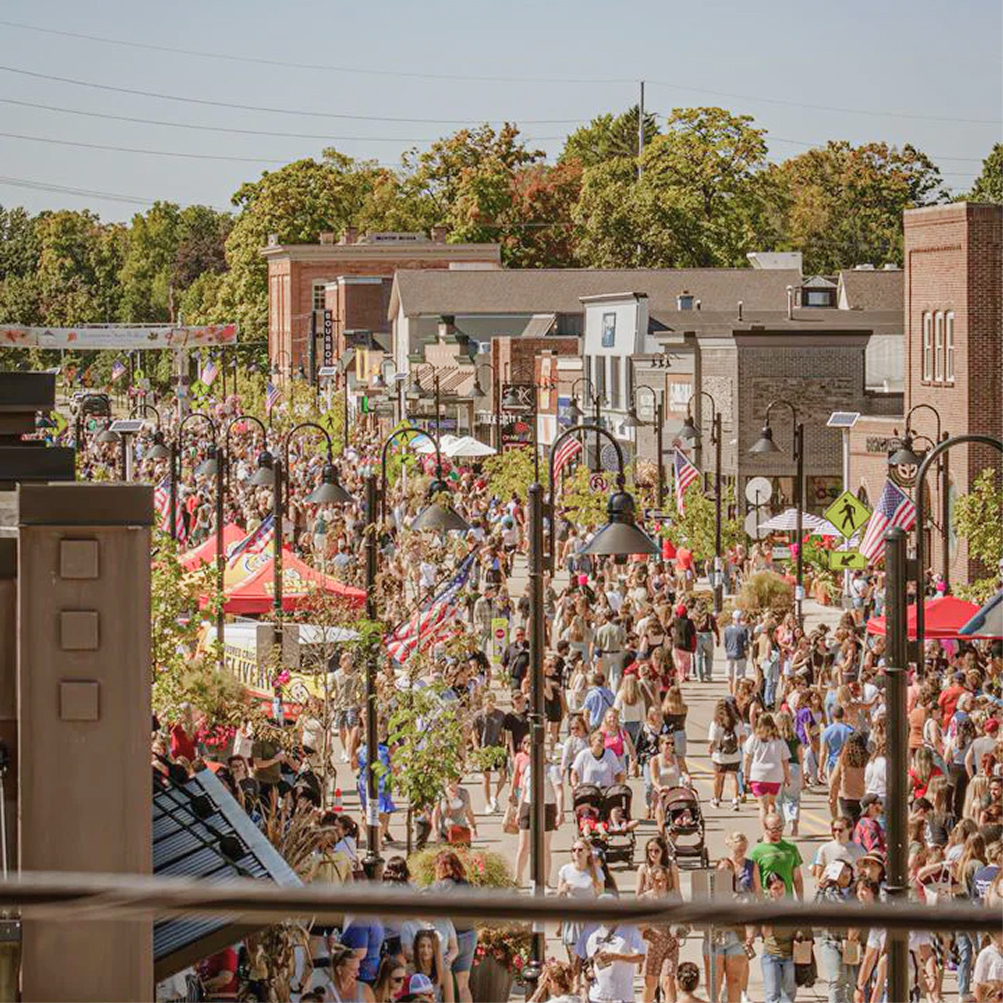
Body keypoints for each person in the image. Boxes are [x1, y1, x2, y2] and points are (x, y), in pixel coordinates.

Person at [583, 903, 646, 1003]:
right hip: (598, 997)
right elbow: (591, 965)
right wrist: (585, 992)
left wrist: (617, 957)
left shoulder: (630, 931)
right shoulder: (593, 936)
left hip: (622, 996)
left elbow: (641, 957)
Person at [639, 864, 682, 1003]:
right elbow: (637, 927)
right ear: (651, 881)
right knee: (650, 983)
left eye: (664, 880)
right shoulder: (644, 899)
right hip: (651, 944)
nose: (661, 883)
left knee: (669, 980)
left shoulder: (673, 898)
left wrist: (679, 928)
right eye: (657, 880)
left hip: (670, 944)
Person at [557, 839, 602, 964]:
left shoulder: (596, 872)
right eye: (574, 850)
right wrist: (563, 889)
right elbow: (559, 895)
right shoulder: (565, 870)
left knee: (590, 958)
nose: (577, 852)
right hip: (572, 918)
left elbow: (601, 897)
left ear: (588, 852)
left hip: (590, 918)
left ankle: (587, 983)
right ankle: (576, 982)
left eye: (580, 849)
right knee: (574, 958)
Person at [743, 712, 791, 828]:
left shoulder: (754, 738)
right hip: (775, 775)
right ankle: (773, 827)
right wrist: (787, 776)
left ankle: (765, 831)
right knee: (771, 804)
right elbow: (785, 760)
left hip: (758, 775)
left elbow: (747, 757)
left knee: (762, 806)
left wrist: (746, 774)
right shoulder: (779, 739)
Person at [757, 872, 799, 1003]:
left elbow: (800, 930)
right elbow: (766, 933)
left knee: (788, 996)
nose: (779, 890)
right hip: (771, 955)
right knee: (772, 996)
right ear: (769, 891)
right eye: (775, 888)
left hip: (790, 955)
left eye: (781, 886)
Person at [749, 813, 804, 900]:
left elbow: (797, 878)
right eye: (774, 830)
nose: (778, 832)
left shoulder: (791, 848)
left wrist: (801, 901)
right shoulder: (757, 852)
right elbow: (754, 882)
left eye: (780, 828)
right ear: (765, 829)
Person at [471, 691, 507, 812]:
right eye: (488, 701)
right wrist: (476, 747)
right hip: (484, 749)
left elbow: (503, 731)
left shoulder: (500, 715)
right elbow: (474, 733)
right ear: (484, 702)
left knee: (503, 774)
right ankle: (487, 804)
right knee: (486, 777)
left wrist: (504, 744)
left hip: (496, 748)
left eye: (492, 701)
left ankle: (494, 797)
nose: (490, 704)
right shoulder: (478, 715)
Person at [724, 610, 750, 696]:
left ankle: (730, 692)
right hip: (740, 654)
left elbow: (725, 643)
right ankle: (735, 694)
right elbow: (745, 644)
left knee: (730, 677)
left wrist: (727, 651)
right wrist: (747, 655)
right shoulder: (743, 630)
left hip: (729, 654)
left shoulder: (727, 629)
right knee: (738, 676)